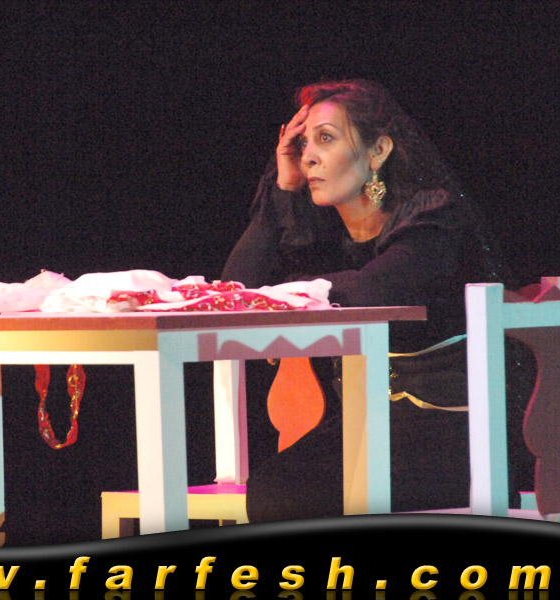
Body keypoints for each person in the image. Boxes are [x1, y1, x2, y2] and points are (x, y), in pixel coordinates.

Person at [221, 79, 533, 522]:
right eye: (302, 143)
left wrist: (286, 294)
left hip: (454, 431)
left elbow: (376, 290)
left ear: (378, 150)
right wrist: (283, 187)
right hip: (371, 426)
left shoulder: (431, 218)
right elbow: (235, 290)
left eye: (325, 139)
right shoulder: (323, 235)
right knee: (275, 487)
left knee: (299, 493)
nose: (308, 156)